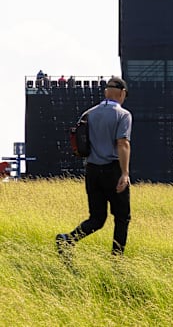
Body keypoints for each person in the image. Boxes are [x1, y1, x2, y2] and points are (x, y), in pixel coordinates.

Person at [56, 76, 132, 256]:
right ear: (122, 94)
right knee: (122, 217)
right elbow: (122, 143)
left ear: (106, 92)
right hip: (113, 170)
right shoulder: (123, 115)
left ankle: (68, 239)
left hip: (91, 170)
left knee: (97, 218)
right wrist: (125, 173)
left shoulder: (88, 114)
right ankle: (117, 260)